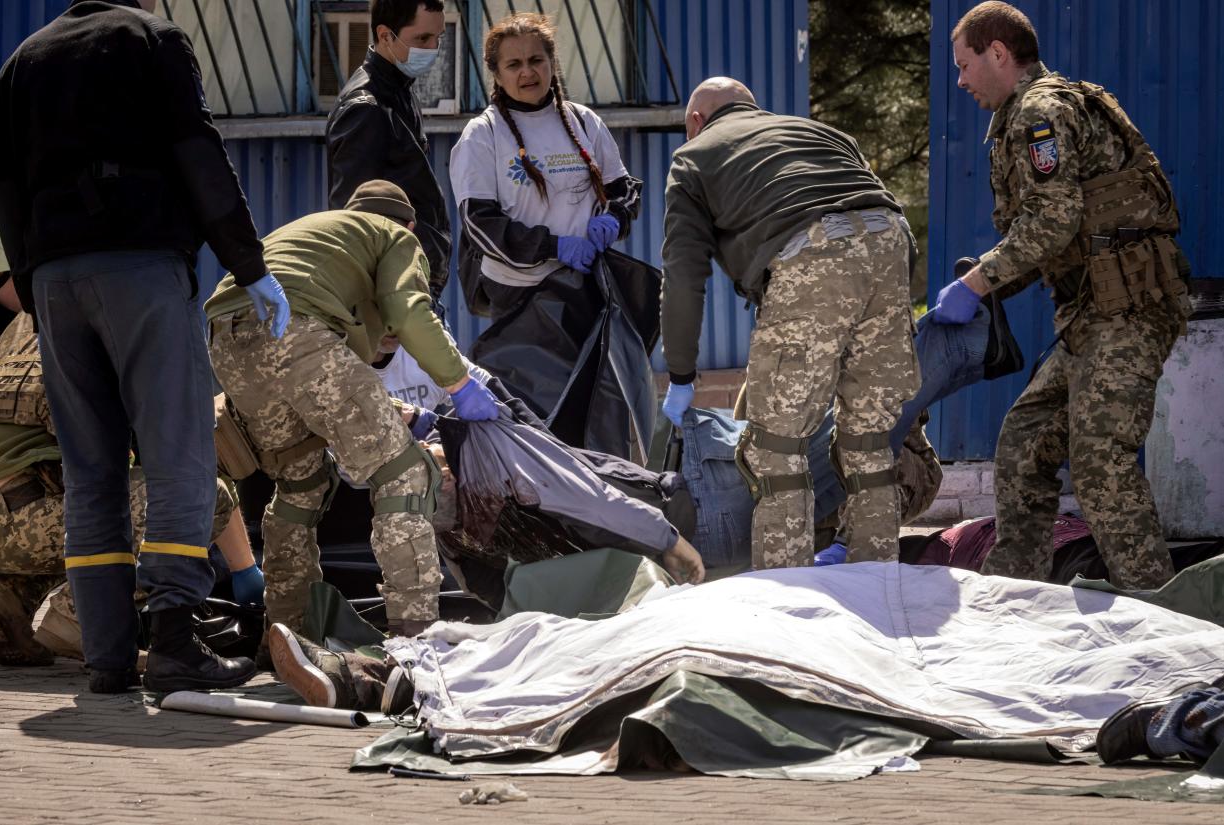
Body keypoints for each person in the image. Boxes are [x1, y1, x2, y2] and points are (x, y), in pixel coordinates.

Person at [0, 0, 289, 693]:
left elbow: (6, 185)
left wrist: (35, 281)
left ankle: (106, 655)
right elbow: (197, 151)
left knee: (90, 468)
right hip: (140, 266)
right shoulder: (151, 38)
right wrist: (248, 264)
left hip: (56, 280)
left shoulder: (21, 63)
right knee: (178, 454)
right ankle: (177, 640)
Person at [939, 1, 1189, 590]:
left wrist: (976, 283)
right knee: (1025, 444)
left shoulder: (1039, 115)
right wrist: (987, 279)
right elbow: (1060, 237)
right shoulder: (1042, 107)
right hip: (1092, 315)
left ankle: (1161, 608)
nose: (961, 79)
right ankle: (1018, 596)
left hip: (1127, 311)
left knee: (1101, 458)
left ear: (998, 53)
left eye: (965, 64)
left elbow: (1050, 224)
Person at [205, 180, 499, 639]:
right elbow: (407, 310)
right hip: (294, 331)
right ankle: (416, 636)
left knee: (300, 484)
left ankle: (288, 631)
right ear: (409, 225)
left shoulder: (317, 230)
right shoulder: (395, 236)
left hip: (227, 338)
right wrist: (459, 384)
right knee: (405, 472)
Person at [660, 77, 918, 571]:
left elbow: (684, 273)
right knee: (867, 440)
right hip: (891, 244)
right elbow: (876, 206)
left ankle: (790, 603)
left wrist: (681, 372)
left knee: (776, 450)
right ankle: (880, 579)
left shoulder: (693, 157)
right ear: (753, 109)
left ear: (696, 122)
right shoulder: (820, 132)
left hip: (811, 257)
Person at [0, 301, 263, 664]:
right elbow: (181, 472)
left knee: (77, 511)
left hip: (17, 515)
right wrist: (245, 570)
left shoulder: (33, 316)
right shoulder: (121, 328)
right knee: (196, 496)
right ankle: (83, 620)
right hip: (20, 511)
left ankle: (10, 607)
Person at [449, 13, 645, 453]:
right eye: (513, 64)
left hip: (585, 290)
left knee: (595, 407)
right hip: (522, 297)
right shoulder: (483, 136)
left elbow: (624, 190)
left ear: (552, 63)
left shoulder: (584, 122)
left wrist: (613, 217)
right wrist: (554, 246)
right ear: (496, 74)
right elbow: (481, 224)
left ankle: (607, 492)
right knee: (539, 414)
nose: (527, 72)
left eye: (536, 60)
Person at [326, 0, 451, 300]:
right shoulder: (366, 108)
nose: (433, 48)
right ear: (385, 36)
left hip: (409, 280)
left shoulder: (399, 91)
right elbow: (354, 219)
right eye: (422, 39)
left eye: (439, 38)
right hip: (391, 292)